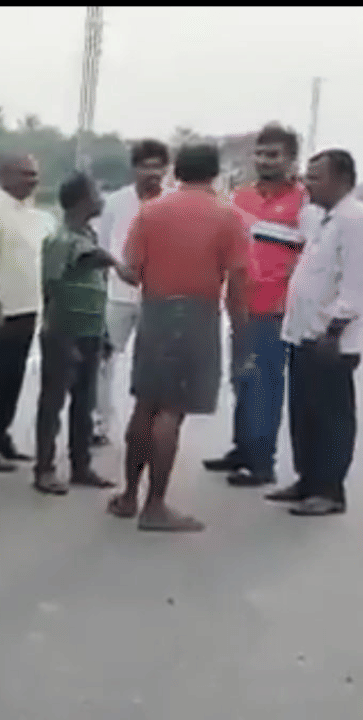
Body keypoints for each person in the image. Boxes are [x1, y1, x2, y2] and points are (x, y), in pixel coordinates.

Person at [106, 143, 250, 531]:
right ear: (214, 173)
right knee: (171, 411)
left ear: (177, 171)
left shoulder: (151, 211)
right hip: (197, 314)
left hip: (154, 310)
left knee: (145, 404)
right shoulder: (228, 216)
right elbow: (237, 279)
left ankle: (128, 496)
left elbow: (132, 272)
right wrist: (241, 330)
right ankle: (155, 506)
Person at [202, 124, 315, 488]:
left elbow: (310, 251)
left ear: (291, 159)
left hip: (276, 306)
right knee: (241, 379)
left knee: (264, 382)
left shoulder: (305, 201)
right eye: (261, 154)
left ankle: (262, 462)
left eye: (274, 155)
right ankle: (243, 449)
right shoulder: (242, 196)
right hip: (239, 303)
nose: (266, 161)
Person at [267, 149, 363, 516]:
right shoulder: (322, 218)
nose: (308, 184)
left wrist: (334, 330)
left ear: (342, 180)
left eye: (316, 177)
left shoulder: (354, 220)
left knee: (331, 417)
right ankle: (307, 480)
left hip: (331, 339)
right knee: (304, 412)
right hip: (305, 333)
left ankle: (329, 489)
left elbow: (356, 284)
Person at [32, 172, 133, 495]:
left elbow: (95, 281)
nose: (101, 198)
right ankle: (44, 469)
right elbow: (53, 286)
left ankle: (81, 465)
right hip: (64, 332)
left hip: (89, 330)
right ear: (81, 201)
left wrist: (102, 333)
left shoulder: (87, 234)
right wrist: (117, 264)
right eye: (95, 192)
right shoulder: (61, 240)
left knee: (84, 404)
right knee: (53, 403)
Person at [0, 153, 56, 472]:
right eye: (25, 174)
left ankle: (1, 438)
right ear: (4, 176)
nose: (33, 180)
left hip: (27, 309)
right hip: (0, 313)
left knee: (12, 380)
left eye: (35, 174)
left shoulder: (32, 215)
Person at [91, 139, 171, 446]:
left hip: (159, 298)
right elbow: (102, 245)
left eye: (158, 167)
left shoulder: (173, 202)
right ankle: (98, 424)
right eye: (145, 166)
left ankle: (152, 422)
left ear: (166, 169)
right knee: (103, 358)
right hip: (118, 295)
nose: (152, 173)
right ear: (134, 169)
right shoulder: (115, 202)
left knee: (156, 363)